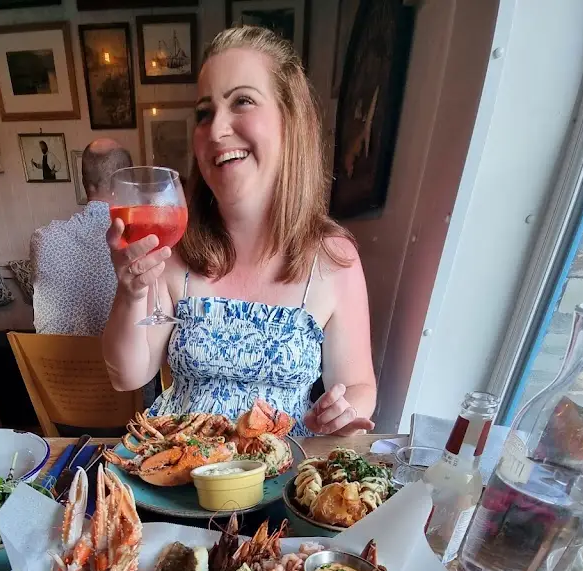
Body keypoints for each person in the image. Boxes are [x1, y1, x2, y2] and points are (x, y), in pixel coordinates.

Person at [101, 26, 376, 436]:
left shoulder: (334, 258)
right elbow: (127, 375)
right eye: (205, 112)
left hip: (280, 482)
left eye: (242, 101)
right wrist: (132, 290)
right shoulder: (174, 248)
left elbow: (358, 386)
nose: (215, 130)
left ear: (290, 120)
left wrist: (341, 412)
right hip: (179, 477)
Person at [31, 139, 132, 336]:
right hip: (114, 364)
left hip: (50, 365)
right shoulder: (137, 239)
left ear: (84, 183)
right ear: (126, 184)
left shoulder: (41, 239)